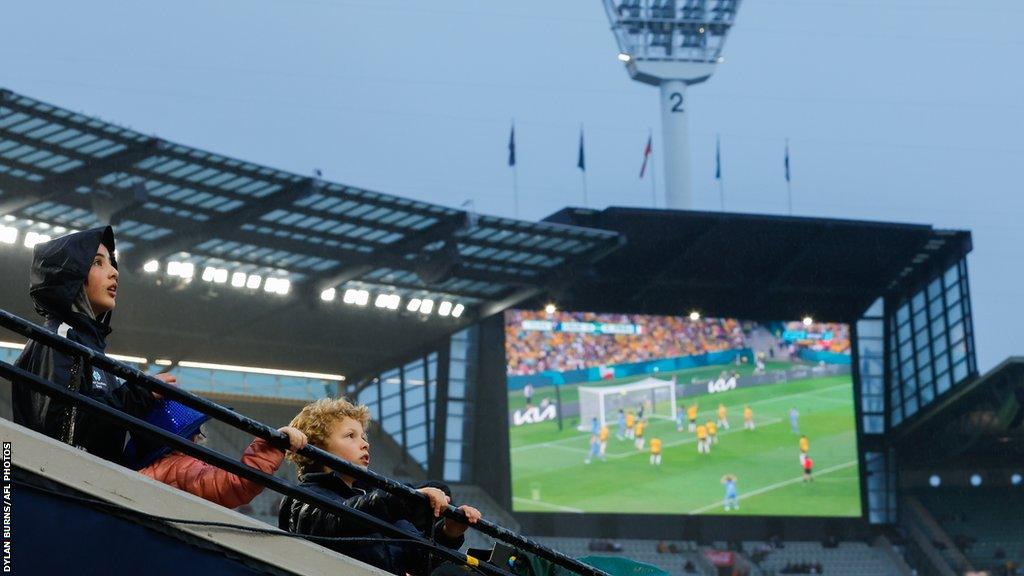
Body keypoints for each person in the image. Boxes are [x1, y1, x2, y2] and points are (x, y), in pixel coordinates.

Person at [12, 227, 170, 463]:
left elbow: (99, 435)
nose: (114, 272)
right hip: (57, 492)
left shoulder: (93, 351)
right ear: (71, 275)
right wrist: (140, 394)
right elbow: (62, 432)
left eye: (112, 263)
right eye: (98, 263)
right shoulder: (60, 338)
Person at [280, 398, 482, 576]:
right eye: (350, 436)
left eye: (364, 437)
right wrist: (404, 498)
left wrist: (449, 533)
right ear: (318, 446)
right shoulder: (302, 497)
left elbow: (420, 562)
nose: (364, 444)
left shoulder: (376, 502)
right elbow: (334, 520)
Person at [127, 400, 308, 508]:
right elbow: (237, 484)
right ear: (191, 436)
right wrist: (272, 444)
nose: (199, 437)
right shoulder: (180, 467)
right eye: (197, 432)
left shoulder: (149, 466)